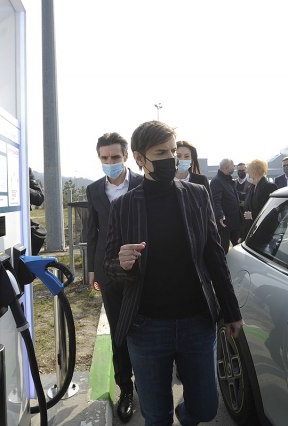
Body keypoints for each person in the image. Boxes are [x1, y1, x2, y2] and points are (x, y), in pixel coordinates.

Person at [104, 121, 243, 426]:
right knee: (156, 416)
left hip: (197, 322)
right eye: (161, 153)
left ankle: (186, 414)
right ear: (139, 158)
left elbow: (214, 256)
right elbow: (109, 266)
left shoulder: (197, 195)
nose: (171, 158)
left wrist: (231, 310)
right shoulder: (123, 207)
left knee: (205, 408)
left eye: (172, 151)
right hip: (147, 328)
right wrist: (122, 263)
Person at [85, 132, 143, 422]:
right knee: (118, 331)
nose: (110, 162)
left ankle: (147, 381)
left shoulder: (143, 184)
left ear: (126, 157)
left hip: (141, 268)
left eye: (115, 157)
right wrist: (92, 269)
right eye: (104, 158)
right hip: (108, 271)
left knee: (144, 326)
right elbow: (91, 231)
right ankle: (126, 389)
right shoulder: (94, 190)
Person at [239, 159, 278, 242]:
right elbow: (246, 213)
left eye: (248, 172)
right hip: (249, 233)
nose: (247, 174)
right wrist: (242, 235)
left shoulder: (269, 187)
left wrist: (253, 215)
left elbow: (272, 212)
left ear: (255, 172)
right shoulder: (251, 188)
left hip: (263, 234)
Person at [210, 158, 242, 253]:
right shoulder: (217, 181)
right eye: (233, 166)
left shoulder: (227, 179)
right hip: (225, 224)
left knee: (239, 248)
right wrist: (220, 215)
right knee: (223, 250)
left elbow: (234, 196)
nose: (234, 168)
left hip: (235, 222)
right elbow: (215, 201)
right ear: (227, 167)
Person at [29, 168, 46, 255]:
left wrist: (21, 186)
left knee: (37, 233)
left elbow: (39, 198)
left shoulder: (25, 170)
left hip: (19, 221)